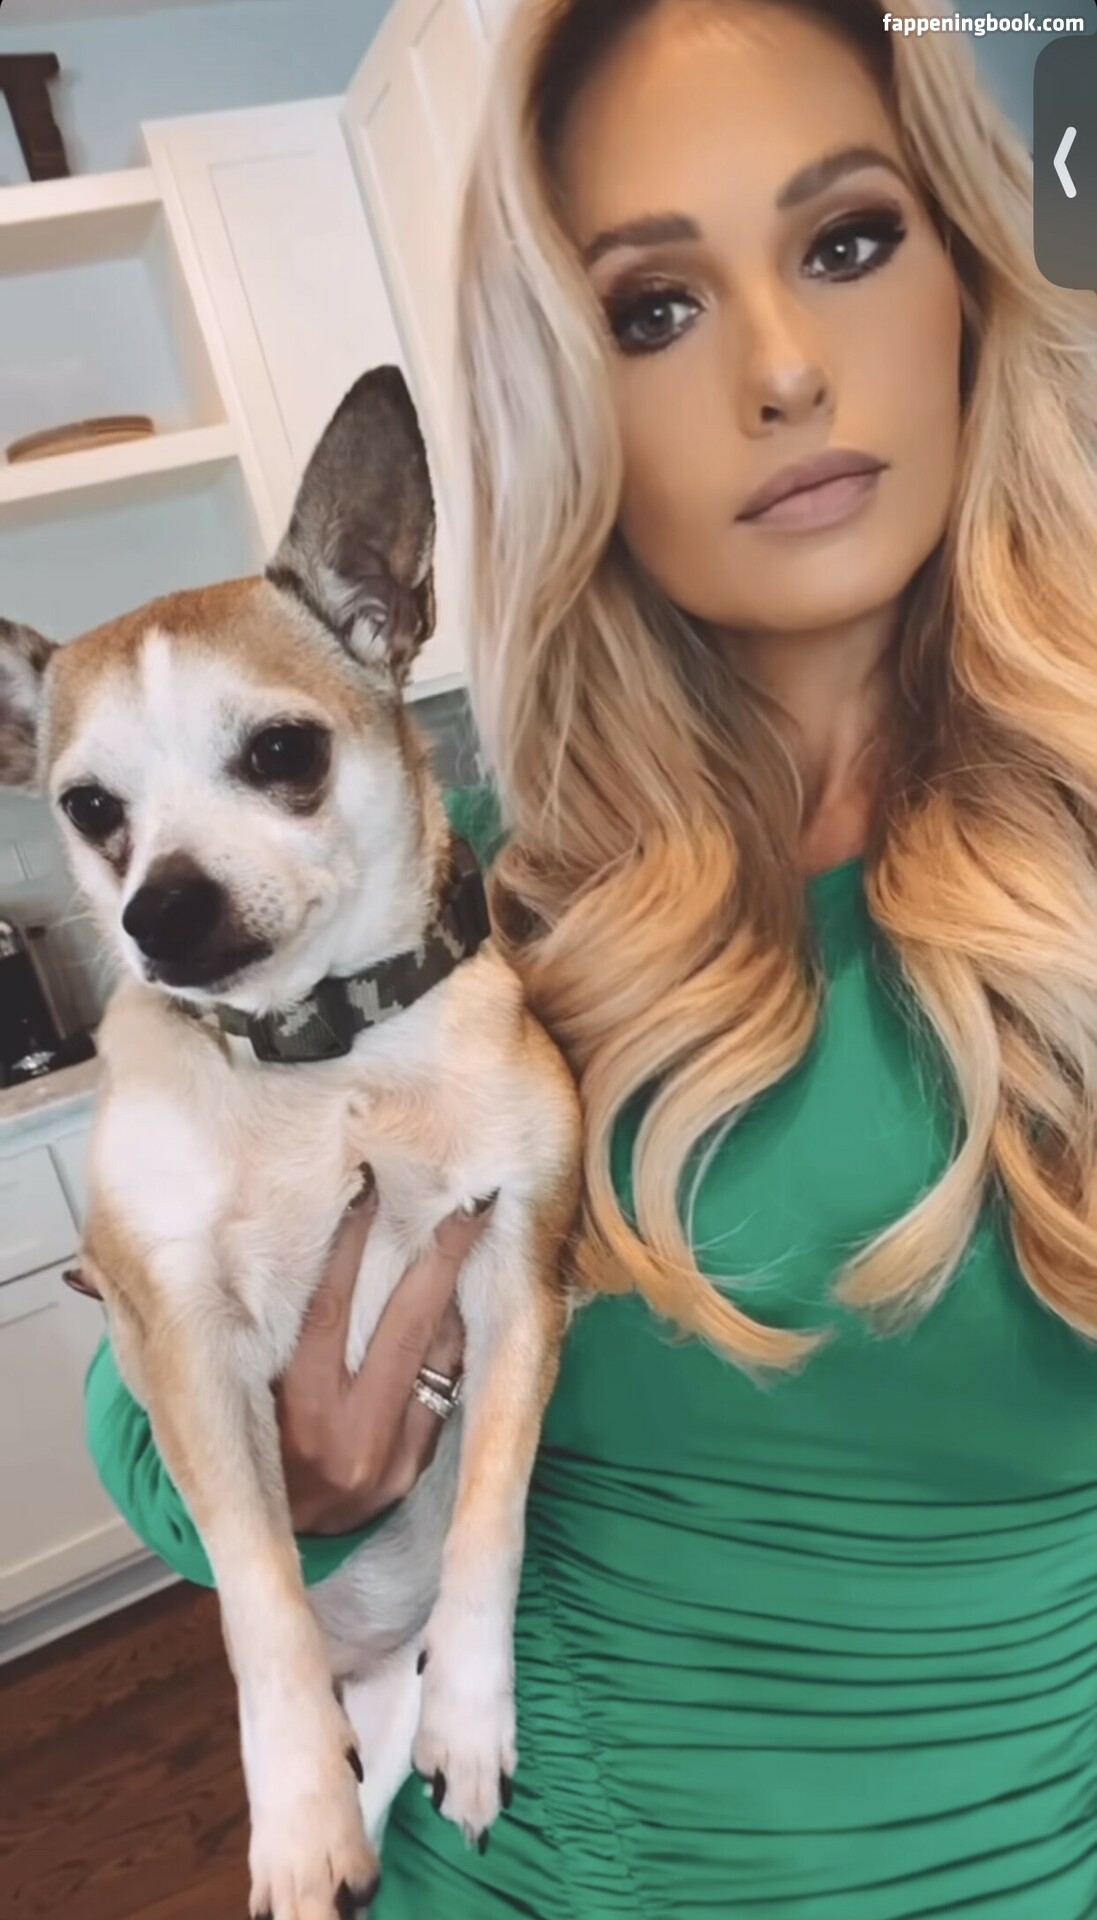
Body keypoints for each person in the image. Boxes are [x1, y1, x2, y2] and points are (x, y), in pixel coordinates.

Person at [84, 0, 1097, 1912]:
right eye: (653, 308)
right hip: (478, 1868)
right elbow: (139, 1388)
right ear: (559, 404)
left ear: (970, 276)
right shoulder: (474, 901)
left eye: (848, 241)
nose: (782, 370)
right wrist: (310, 1480)